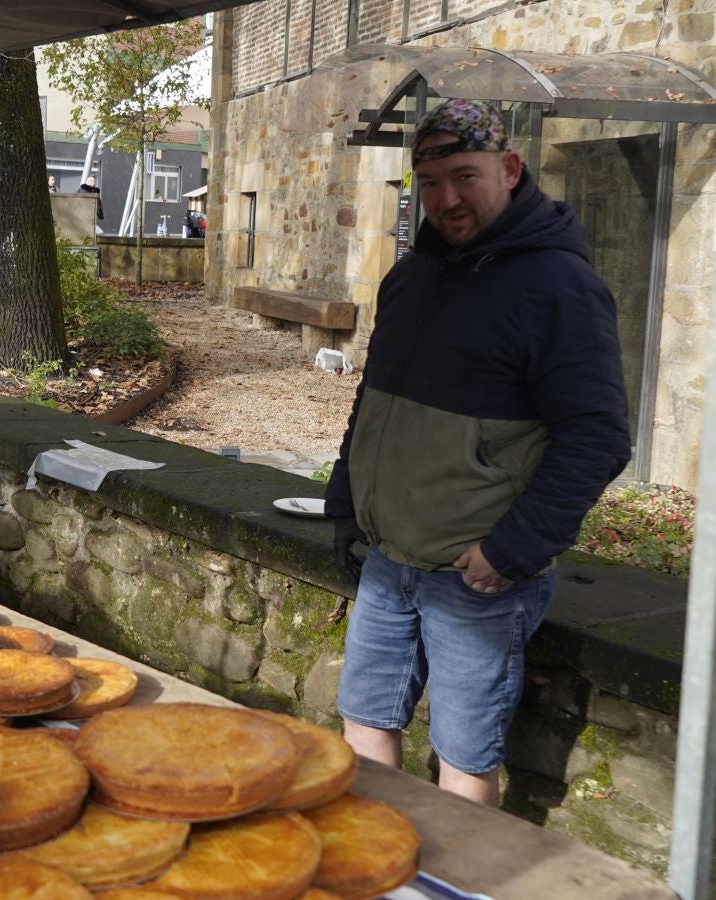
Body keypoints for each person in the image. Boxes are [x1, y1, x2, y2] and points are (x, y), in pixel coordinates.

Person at [324, 98, 630, 806]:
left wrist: (515, 548)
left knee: (464, 760)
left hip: (477, 576)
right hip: (389, 560)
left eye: (466, 176)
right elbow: (375, 403)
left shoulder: (560, 287)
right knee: (363, 724)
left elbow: (599, 435)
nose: (448, 199)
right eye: (430, 184)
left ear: (511, 169)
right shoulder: (412, 278)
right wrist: (345, 505)